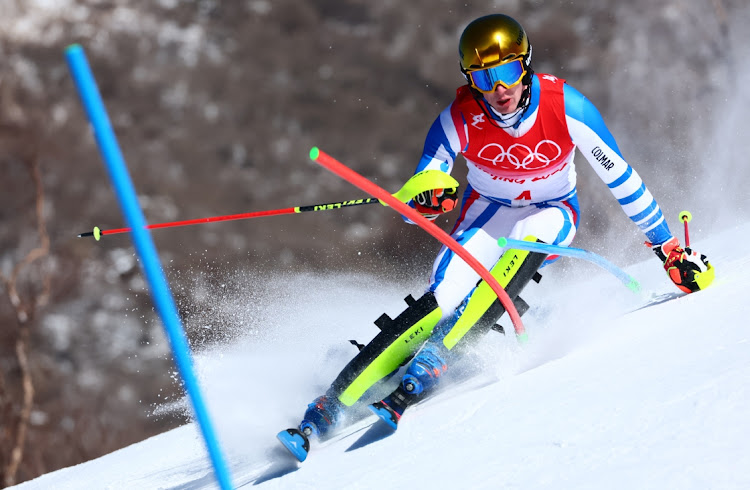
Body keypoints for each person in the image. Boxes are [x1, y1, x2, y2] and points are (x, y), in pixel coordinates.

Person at [281, 13, 714, 451]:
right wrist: (425, 201)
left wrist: (668, 248)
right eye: (485, 79)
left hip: (552, 210)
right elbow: (416, 201)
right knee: (444, 296)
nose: (499, 90)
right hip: (486, 213)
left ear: (524, 66)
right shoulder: (458, 118)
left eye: (507, 73)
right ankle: (331, 403)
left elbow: (622, 180)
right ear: (471, 80)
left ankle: (436, 357)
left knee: (519, 253)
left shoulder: (566, 107)